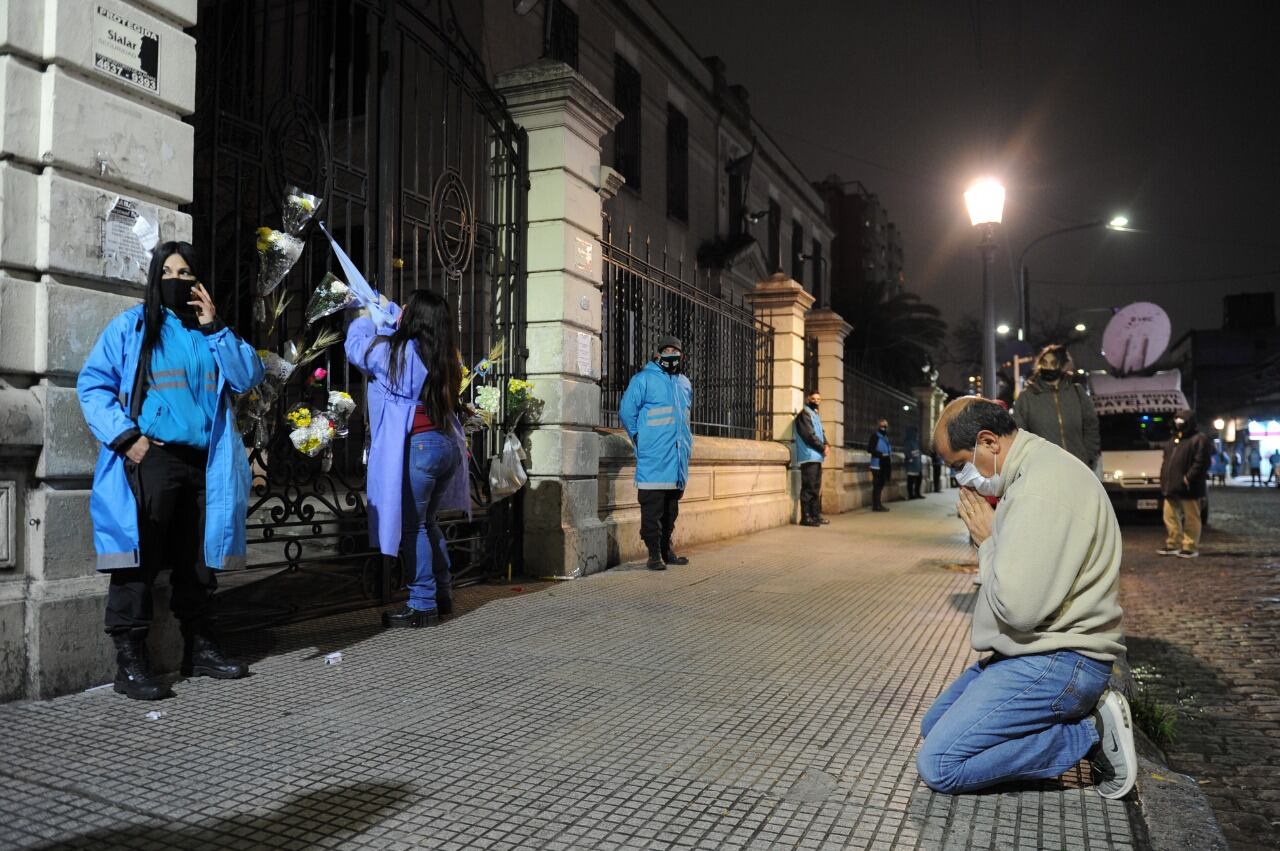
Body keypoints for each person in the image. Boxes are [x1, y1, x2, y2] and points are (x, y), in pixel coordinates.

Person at [919, 397, 1135, 799]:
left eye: (960, 464)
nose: (962, 479)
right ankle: (1058, 725)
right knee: (935, 726)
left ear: (988, 443)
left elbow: (1020, 611)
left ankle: (1091, 734)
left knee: (941, 763)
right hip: (1034, 654)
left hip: (1062, 661)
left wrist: (986, 542)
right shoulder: (1032, 472)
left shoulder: (1041, 488)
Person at [77, 242, 265, 700]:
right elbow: (92, 384)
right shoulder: (134, 326)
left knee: (196, 563)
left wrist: (215, 325)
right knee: (137, 561)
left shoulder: (209, 333)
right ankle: (130, 662)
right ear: (154, 277)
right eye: (169, 271)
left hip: (204, 462)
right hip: (152, 459)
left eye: (187, 273)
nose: (178, 280)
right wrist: (127, 438)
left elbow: (248, 378)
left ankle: (199, 648)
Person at [346, 290, 470, 628]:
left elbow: (358, 350)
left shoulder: (397, 353)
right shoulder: (447, 358)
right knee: (428, 522)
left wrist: (365, 317)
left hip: (420, 449)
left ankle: (422, 603)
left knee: (414, 527)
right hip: (445, 445)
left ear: (414, 319)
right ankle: (442, 594)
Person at [619, 335, 693, 570]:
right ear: (658, 354)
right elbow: (627, 410)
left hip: (677, 459)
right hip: (654, 457)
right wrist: (639, 438)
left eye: (676, 351)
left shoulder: (684, 383)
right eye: (667, 350)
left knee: (671, 511)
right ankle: (653, 555)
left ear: (681, 356)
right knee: (652, 510)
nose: (671, 354)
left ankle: (666, 549)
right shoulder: (643, 379)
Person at [1011, 344, 1100, 469]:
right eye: (1044, 363)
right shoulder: (1027, 396)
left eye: (1053, 363)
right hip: (1043, 469)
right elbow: (1019, 434)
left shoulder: (1077, 392)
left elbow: (1091, 426)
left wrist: (1088, 456)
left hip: (1078, 467)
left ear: (1062, 365)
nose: (1048, 367)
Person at [1158, 410, 1211, 559]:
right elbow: (1166, 462)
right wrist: (1163, 479)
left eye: (1181, 420)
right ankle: (1173, 544)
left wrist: (1188, 478)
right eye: (1177, 420)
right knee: (1170, 516)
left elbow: (1201, 462)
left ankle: (1190, 546)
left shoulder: (1199, 439)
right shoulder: (1173, 440)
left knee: (1191, 517)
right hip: (1171, 486)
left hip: (1189, 487)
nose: (1178, 423)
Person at [794, 390, 830, 526]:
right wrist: (822, 447)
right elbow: (809, 436)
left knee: (816, 488)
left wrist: (826, 444)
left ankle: (815, 515)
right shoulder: (805, 414)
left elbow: (821, 433)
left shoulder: (815, 415)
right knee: (808, 488)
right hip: (808, 456)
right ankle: (806, 517)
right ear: (808, 399)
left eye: (818, 399)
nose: (816, 401)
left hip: (816, 456)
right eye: (813, 398)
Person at [866, 417, 893, 512]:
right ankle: (876, 505)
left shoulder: (885, 437)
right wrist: (881, 454)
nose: (884, 428)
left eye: (885, 426)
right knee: (877, 485)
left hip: (884, 464)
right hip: (877, 465)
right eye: (882, 426)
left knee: (881, 485)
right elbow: (870, 449)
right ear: (878, 426)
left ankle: (878, 504)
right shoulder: (875, 436)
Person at [904, 424, 925, 500]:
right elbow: (907, 452)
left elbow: (918, 451)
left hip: (917, 463)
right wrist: (912, 456)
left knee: (919, 478)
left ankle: (917, 493)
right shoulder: (908, 441)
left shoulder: (916, 441)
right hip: (911, 464)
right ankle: (911, 495)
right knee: (911, 480)